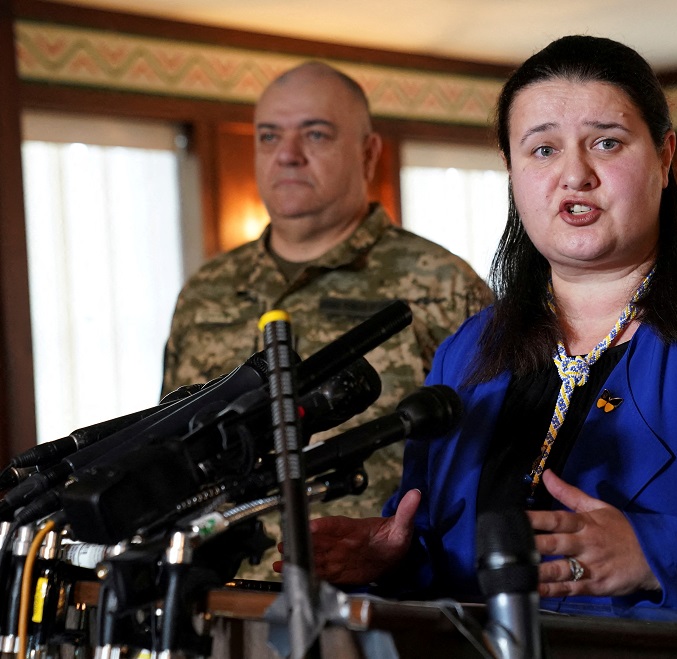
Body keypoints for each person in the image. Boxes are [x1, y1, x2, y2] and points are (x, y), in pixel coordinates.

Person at [290, 37, 677, 657]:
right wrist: (398, 557)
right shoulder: (467, 352)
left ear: (665, 154)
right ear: (512, 170)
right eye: (542, 149)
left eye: (607, 142)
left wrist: (653, 556)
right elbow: (453, 565)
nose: (575, 174)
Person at [160, 61, 492, 574]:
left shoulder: (442, 283)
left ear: (368, 153)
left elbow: (488, 466)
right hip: (217, 600)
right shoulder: (206, 291)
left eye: (314, 134)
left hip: (374, 605)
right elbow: (170, 451)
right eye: (269, 137)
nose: (287, 155)